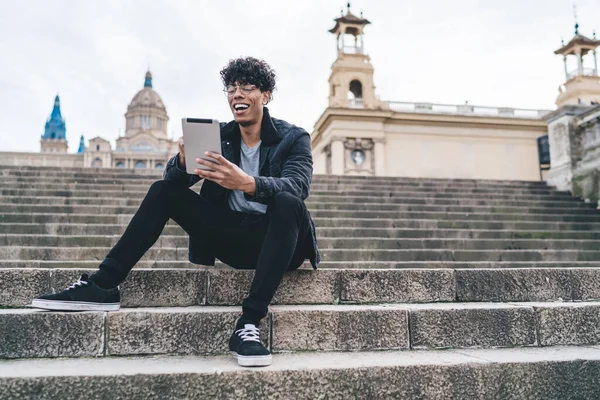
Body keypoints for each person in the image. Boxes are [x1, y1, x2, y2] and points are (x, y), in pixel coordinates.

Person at [31, 56, 321, 367]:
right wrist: (182, 163)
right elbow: (174, 184)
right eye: (231, 88)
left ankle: (249, 323)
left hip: (279, 243)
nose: (237, 94)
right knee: (162, 190)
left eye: (247, 88)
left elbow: (298, 186)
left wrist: (247, 183)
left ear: (265, 95)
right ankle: (103, 284)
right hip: (233, 240)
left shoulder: (294, 137)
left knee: (288, 202)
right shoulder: (219, 137)